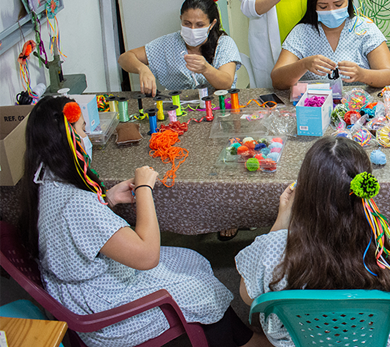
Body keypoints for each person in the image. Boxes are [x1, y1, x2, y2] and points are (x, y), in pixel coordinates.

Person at [18, 96, 261, 347]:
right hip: (102, 308)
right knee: (202, 290)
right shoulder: (77, 203)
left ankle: (245, 340)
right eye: (81, 129)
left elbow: (74, 229)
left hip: (83, 287)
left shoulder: (43, 178)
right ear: (67, 139)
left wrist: (108, 199)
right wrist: (144, 188)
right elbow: (147, 257)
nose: (87, 136)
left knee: (193, 261)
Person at [236, 137, 390, 347]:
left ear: (304, 192)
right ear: (365, 192)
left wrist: (280, 224)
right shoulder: (386, 243)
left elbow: (249, 297)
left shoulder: (273, 248)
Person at [270, 0, 390, 89]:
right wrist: (303, 65)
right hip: (315, 104)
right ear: (313, 6)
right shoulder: (302, 32)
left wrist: (362, 74)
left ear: (348, 0)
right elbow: (277, 80)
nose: (331, 11)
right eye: (323, 6)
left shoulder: (364, 28)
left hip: (358, 102)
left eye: (338, 5)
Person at [119, 0, 241, 96]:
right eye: (187, 23)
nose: (192, 29)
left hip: (219, 107)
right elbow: (124, 58)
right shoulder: (169, 43)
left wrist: (206, 69)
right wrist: (142, 69)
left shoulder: (224, 44)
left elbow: (226, 82)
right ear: (181, 19)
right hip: (179, 110)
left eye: (199, 25)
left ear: (212, 24)